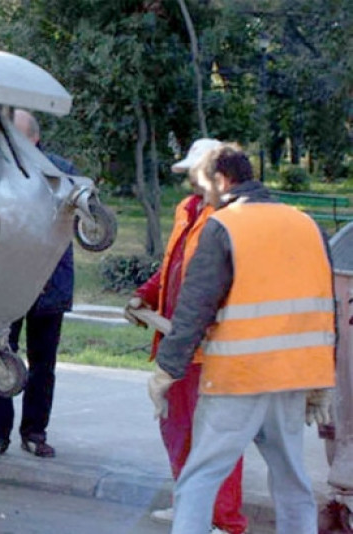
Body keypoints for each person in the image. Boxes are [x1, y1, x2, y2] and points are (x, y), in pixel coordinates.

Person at [149, 144, 336, 534]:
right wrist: (321, 380)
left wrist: (166, 369)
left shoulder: (224, 226)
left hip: (239, 377)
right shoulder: (306, 225)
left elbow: (195, 306)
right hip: (291, 377)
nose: (199, 193)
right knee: (291, 479)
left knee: (200, 476)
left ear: (221, 180)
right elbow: (325, 305)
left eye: (201, 183)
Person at [124, 139, 248, 534]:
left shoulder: (232, 218)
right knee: (175, 428)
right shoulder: (189, 210)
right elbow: (174, 266)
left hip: (210, 349)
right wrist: (144, 295)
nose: (189, 183)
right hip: (177, 346)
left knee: (216, 440)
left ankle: (224, 522)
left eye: (194, 175)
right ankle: (190, 507)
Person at [0, 109, 75, 462]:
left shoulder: (61, 173)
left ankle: (34, 433)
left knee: (42, 363)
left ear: (32, 138)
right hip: (5, 281)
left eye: (14, 136)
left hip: (49, 283)